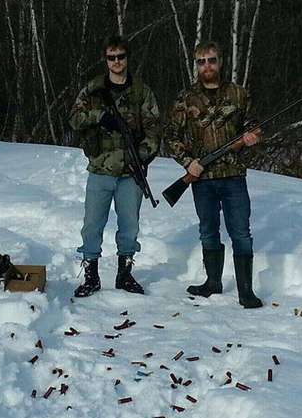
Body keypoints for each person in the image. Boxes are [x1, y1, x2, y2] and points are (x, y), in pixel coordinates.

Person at [165, 40, 263, 308]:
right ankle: (213, 282)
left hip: (233, 176)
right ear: (195, 65)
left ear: (220, 62)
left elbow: (253, 126)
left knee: (241, 233)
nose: (207, 66)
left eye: (211, 60)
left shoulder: (239, 94)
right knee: (208, 231)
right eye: (201, 61)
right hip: (202, 179)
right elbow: (171, 137)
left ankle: (246, 292)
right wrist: (189, 163)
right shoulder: (185, 99)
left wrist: (252, 137)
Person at [68, 35, 161, 297]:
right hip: (100, 168)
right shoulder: (93, 89)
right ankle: (91, 276)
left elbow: (154, 129)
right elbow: (74, 118)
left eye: (121, 56)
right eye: (112, 57)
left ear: (127, 58)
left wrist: (141, 157)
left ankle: (125, 274)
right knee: (92, 225)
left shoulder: (141, 91)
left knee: (130, 225)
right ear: (106, 60)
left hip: (131, 171)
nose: (117, 61)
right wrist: (100, 116)